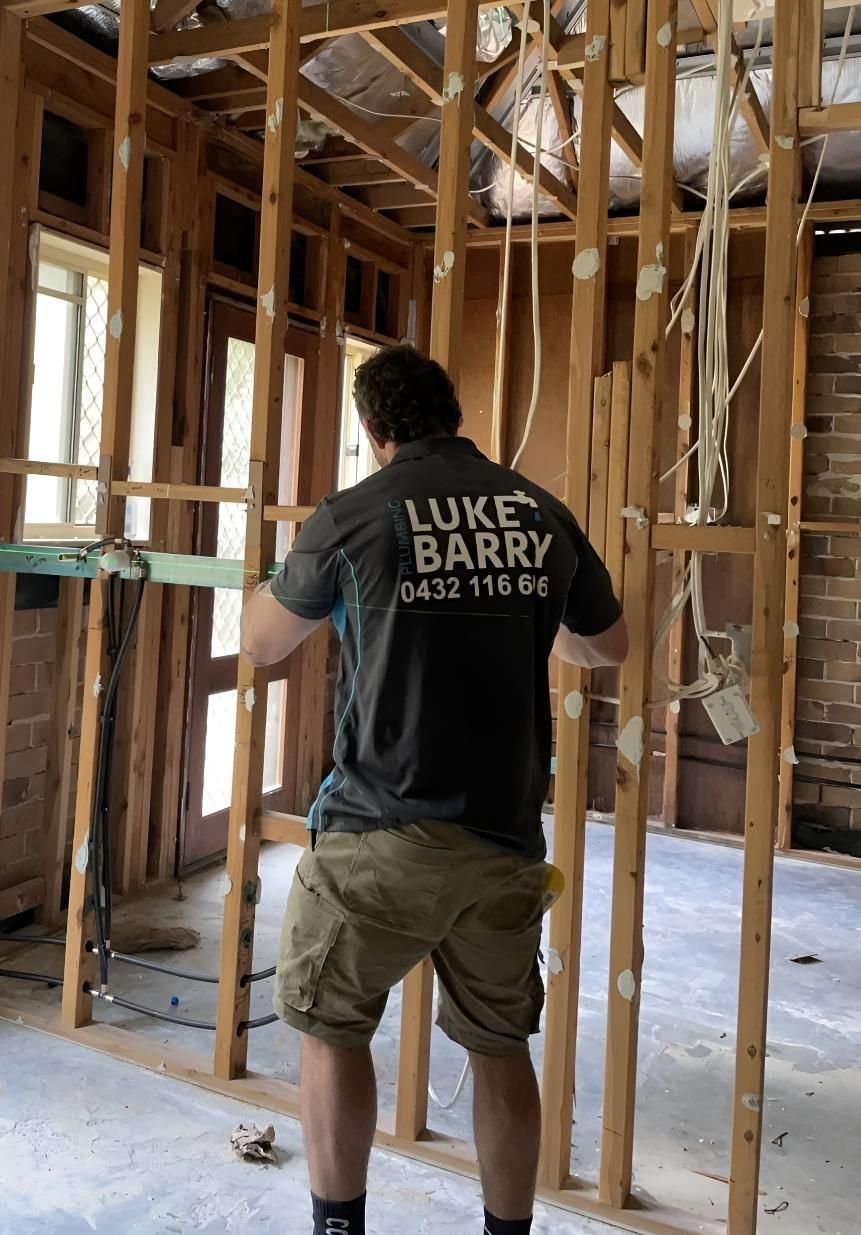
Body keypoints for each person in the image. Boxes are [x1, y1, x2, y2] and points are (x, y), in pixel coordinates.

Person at [241, 345, 627, 1235]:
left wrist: (276, 576)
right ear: (452, 415)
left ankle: (338, 1228)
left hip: (380, 831)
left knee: (330, 1023)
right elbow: (605, 645)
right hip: (503, 840)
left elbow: (261, 642)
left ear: (371, 427)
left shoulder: (352, 515)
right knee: (499, 1044)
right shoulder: (539, 511)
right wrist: (512, 606)